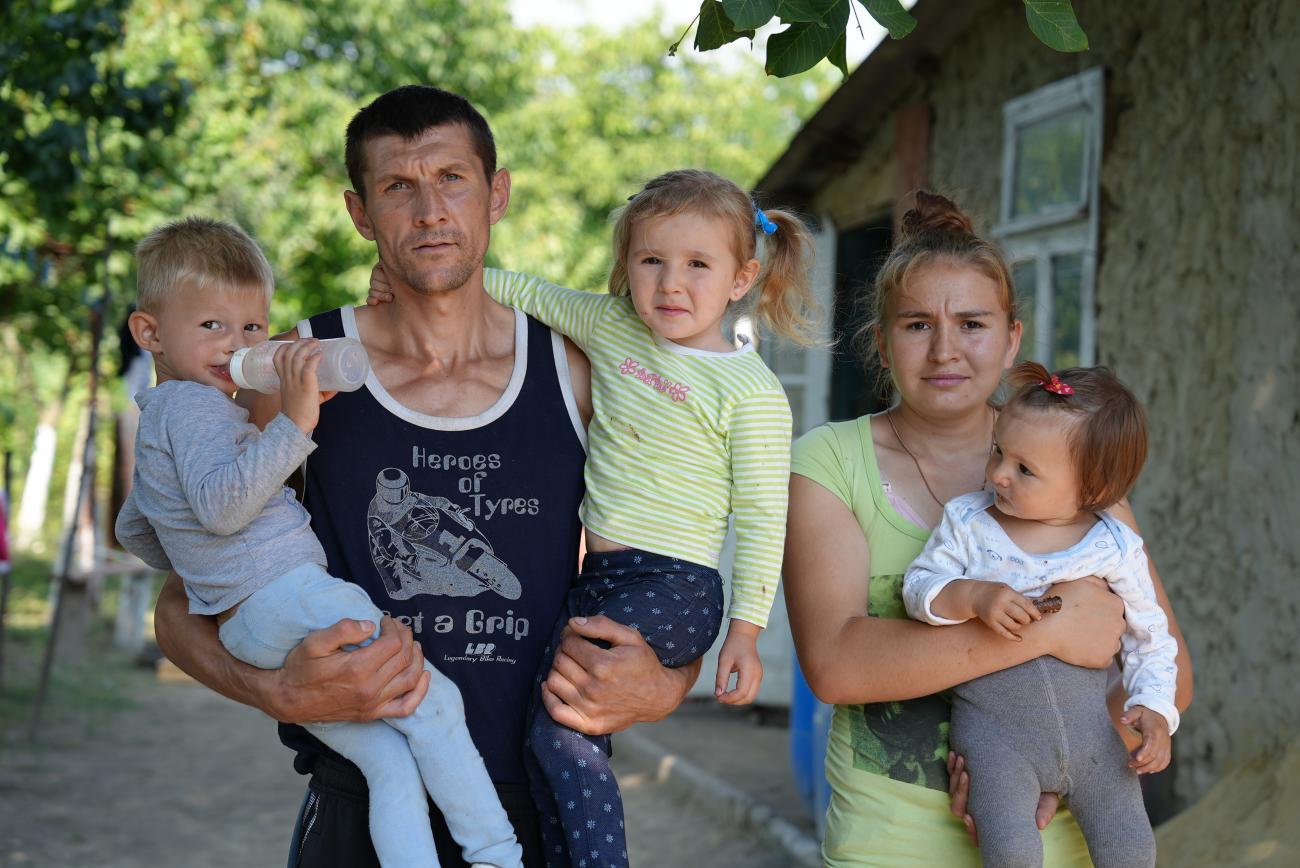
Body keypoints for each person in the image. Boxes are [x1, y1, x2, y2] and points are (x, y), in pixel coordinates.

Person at [150, 85, 700, 868]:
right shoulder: (295, 372)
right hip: (361, 807)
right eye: (398, 187)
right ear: (360, 213)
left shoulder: (575, 371)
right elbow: (183, 597)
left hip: (545, 804)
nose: (430, 210)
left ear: (496, 194)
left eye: (452, 179)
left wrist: (670, 679)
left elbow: (664, 560)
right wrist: (274, 692)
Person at [369, 168, 816, 868]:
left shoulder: (749, 391)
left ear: (741, 278)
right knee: (546, 740)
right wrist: (409, 292)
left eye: (698, 265)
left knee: (565, 732)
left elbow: (764, 517)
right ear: (626, 268)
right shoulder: (610, 326)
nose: (672, 283)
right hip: (599, 580)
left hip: (677, 587)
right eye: (652, 261)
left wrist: (747, 636)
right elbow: (519, 291)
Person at [781, 191, 1193, 866]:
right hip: (890, 845)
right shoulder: (829, 463)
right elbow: (836, 664)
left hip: (1062, 843)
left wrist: (1063, 762)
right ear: (881, 343)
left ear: (1011, 340)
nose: (946, 349)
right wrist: (1055, 625)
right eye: (916, 325)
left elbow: (1166, 664)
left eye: (972, 323)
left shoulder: (1072, 461)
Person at [115, 217, 521, 868]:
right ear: (150, 332)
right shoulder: (192, 408)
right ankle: (499, 857)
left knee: (389, 765)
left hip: (252, 626)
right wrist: (297, 422)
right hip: (292, 598)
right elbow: (222, 511)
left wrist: (201, 566)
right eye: (212, 326)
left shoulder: (166, 416)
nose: (235, 345)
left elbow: (135, 526)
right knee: (432, 702)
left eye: (252, 326)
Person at [903, 361, 1177, 868]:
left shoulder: (1115, 546)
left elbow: (1150, 639)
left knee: (1133, 849)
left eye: (1025, 469)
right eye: (999, 452)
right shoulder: (970, 522)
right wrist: (971, 596)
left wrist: (1157, 709)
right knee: (1010, 853)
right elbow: (918, 588)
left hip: (1093, 734)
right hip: (995, 736)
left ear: (1092, 491)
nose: (998, 474)